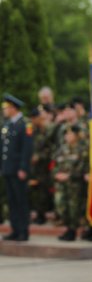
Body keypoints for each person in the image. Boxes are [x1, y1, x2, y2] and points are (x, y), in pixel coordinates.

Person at [1, 94, 33, 241]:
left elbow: (27, 149)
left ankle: (23, 231)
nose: (4, 110)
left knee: (21, 200)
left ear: (13, 108)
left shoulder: (24, 124)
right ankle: (15, 229)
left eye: (6, 108)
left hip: (18, 170)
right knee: (12, 200)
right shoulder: (7, 125)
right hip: (8, 168)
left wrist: (23, 168)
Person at [54, 124, 89, 241]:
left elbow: (83, 168)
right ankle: (68, 227)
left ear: (76, 135)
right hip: (62, 185)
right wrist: (57, 174)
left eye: (70, 134)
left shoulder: (82, 149)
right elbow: (55, 164)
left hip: (75, 184)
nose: (67, 137)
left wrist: (69, 176)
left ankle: (73, 230)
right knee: (62, 207)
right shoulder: (62, 149)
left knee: (74, 208)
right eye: (66, 134)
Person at [28, 107, 53, 225]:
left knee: (43, 191)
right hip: (33, 166)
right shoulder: (32, 130)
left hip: (44, 166)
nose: (33, 121)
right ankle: (36, 213)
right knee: (34, 190)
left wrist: (39, 156)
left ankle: (42, 214)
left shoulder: (47, 130)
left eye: (34, 118)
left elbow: (51, 148)